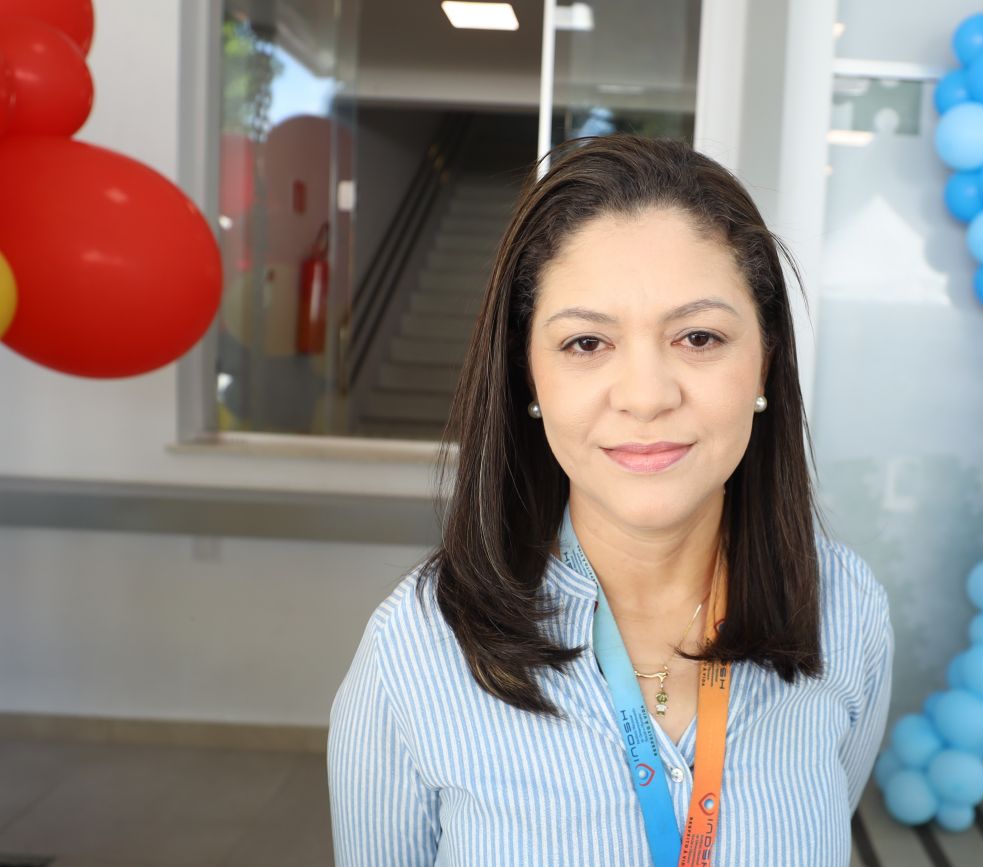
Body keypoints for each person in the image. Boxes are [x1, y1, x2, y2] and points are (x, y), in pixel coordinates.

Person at [327, 133, 893, 866]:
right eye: (587, 344)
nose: (646, 396)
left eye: (699, 336)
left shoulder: (845, 608)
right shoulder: (416, 650)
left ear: (766, 361)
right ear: (528, 375)